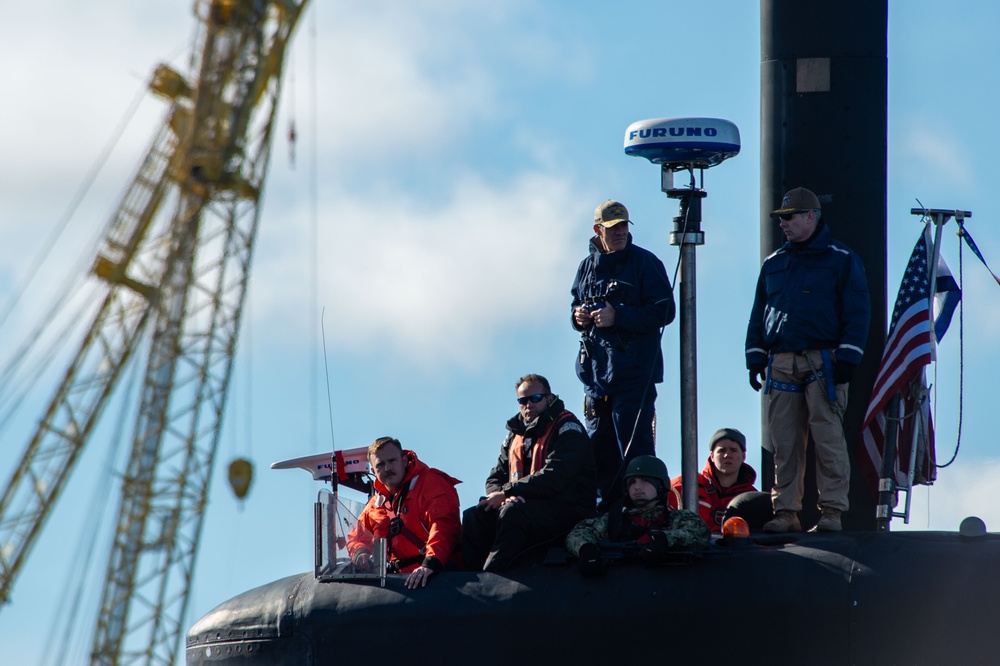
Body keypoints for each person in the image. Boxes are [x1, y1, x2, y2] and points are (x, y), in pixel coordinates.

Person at [745, 187, 870, 533]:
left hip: (824, 361)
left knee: (827, 438)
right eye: (780, 219)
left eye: (788, 218)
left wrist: (849, 357)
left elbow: (857, 312)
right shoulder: (774, 263)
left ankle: (831, 512)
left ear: (811, 217)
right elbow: (759, 313)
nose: (782, 224)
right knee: (784, 442)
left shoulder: (842, 259)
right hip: (781, 359)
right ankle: (785, 513)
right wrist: (754, 355)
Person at [571, 199, 675, 507]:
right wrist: (578, 317)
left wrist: (620, 316)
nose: (620, 233)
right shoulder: (586, 267)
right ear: (597, 230)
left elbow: (664, 311)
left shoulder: (646, 263)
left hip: (633, 376)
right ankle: (608, 516)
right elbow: (575, 304)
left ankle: (643, 513)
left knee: (636, 452)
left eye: (623, 227)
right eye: (613, 228)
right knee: (598, 451)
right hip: (595, 379)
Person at [462, 374, 596, 572]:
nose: (529, 405)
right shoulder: (514, 436)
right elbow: (496, 476)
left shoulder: (568, 429)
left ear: (550, 399)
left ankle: (493, 576)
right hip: (527, 502)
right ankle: (469, 578)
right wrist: (499, 494)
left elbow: (556, 475)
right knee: (475, 515)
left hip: (567, 508)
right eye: (523, 401)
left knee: (513, 514)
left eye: (535, 399)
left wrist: (508, 493)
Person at [346, 437, 462, 589]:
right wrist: (360, 553)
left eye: (392, 461)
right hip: (398, 584)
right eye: (380, 465)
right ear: (373, 471)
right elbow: (356, 537)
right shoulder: (374, 506)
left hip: (439, 577)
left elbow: (443, 526)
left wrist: (430, 564)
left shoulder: (431, 483)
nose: (387, 468)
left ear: (404, 460)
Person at [565, 455, 708, 575]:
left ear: (660, 485)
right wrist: (585, 549)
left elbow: (699, 532)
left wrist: (665, 540)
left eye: (645, 481)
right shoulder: (614, 521)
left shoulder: (676, 519)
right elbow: (578, 533)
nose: (637, 487)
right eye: (632, 482)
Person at [668, 427, 772, 532]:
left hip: (736, 547)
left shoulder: (752, 499)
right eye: (721, 450)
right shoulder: (683, 486)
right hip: (692, 547)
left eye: (733, 450)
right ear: (712, 456)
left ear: (743, 456)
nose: (727, 455)